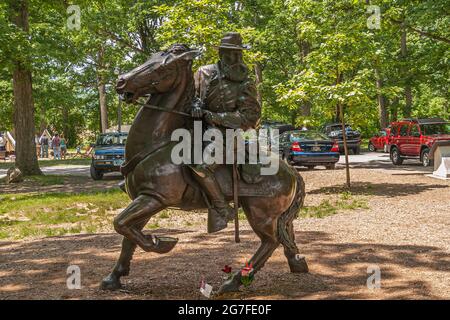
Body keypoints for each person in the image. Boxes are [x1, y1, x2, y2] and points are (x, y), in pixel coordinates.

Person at [189, 32, 261, 233]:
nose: (236, 59)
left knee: (202, 167)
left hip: (230, 133)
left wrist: (214, 117)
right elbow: (193, 96)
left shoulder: (246, 82)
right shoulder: (203, 72)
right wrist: (195, 106)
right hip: (198, 127)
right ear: (221, 53)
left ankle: (222, 209)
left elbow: (250, 117)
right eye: (231, 54)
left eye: (238, 54)